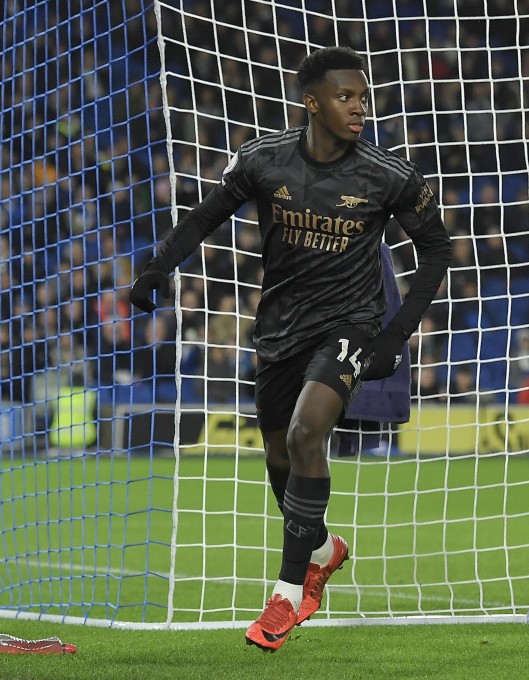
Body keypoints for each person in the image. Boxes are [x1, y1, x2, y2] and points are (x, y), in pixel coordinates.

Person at [129, 46, 452, 649]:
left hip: (351, 325)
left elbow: (438, 250)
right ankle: (325, 549)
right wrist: (156, 270)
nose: (360, 107)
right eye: (346, 97)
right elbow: (202, 218)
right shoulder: (262, 160)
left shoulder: (389, 174)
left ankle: (285, 597)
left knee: (308, 434)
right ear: (312, 103)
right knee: (280, 455)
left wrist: (393, 334)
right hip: (278, 330)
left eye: (363, 96)